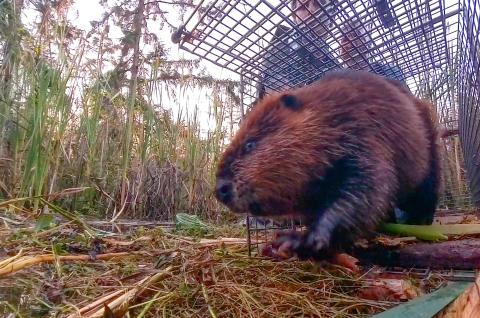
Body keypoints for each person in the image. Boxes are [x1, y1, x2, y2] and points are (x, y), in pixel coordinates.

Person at [255, 0, 406, 102]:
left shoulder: (332, 62)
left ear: (331, 18)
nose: (312, 11)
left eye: (319, 5)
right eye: (303, 7)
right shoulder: (280, 43)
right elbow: (275, 99)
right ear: (294, 16)